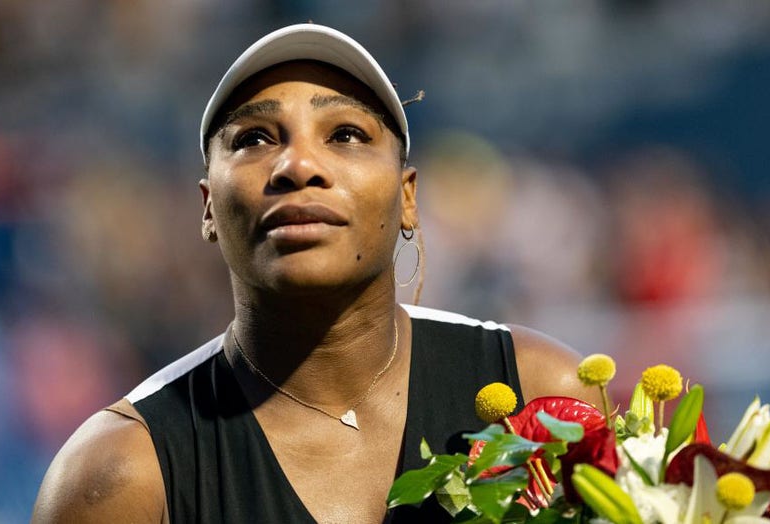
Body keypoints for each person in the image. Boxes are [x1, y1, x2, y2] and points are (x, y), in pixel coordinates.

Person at [31, 23, 598, 524]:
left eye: (346, 135)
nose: (298, 166)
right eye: (254, 139)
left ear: (407, 197)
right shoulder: (118, 476)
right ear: (207, 207)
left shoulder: (548, 395)